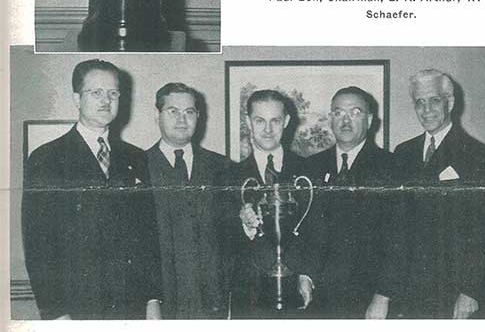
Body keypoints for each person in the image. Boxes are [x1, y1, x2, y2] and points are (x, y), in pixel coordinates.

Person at [21, 59, 162, 320]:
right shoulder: (47, 159)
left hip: (130, 306)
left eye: (113, 93)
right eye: (96, 92)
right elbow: (38, 244)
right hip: (77, 308)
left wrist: (152, 300)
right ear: (77, 98)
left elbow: (148, 237)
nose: (106, 100)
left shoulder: (136, 158)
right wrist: (55, 313)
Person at [393, 69, 485, 319]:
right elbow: (396, 228)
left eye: (434, 100)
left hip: (455, 294)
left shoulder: (481, 157)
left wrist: (471, 292)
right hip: (408, 292)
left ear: (450, 102)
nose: (426, 109)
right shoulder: (402, 154)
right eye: (419, 102)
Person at [287, 86, 402, 318]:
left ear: (369, 120)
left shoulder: (392, 167)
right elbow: (305, 230)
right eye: (338, 113)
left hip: (372, 299)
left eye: (355, 112)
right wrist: (305, 275)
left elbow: (400, 239)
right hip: (320, 299)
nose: (346, 120)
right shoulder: (311, 167)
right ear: (330, 118)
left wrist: (383, 296)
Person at [146, 83, 229, 318]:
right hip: (162, 302)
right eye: (173, 111)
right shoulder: (138, 167)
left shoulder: (222, 167)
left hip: (213, 303)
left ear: (198, 117)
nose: (182, 120)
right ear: (157, 115)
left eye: (189, 112)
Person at [225, 88, 305, 317]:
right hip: (250, 301)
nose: (268, 130)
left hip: (299, 298)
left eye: (275, 121)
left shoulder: (308, 171)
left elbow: (318, 232)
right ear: (248, 122)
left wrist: (307, 277)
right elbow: (220, 238)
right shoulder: (228, 176)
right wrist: (244, 226)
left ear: (286, 121)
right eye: (260, 121)